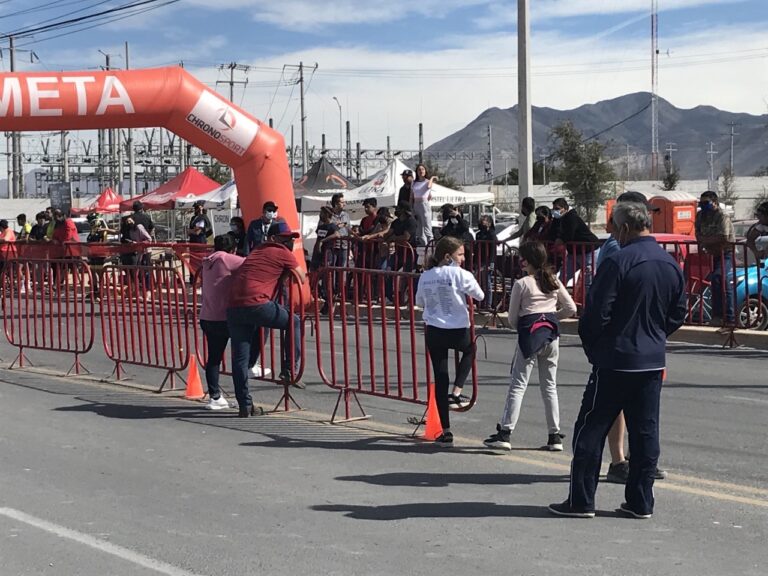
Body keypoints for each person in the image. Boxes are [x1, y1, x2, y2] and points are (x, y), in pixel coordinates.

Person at [549, 202, 687, 519]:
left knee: (591, 428)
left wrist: (596, 348)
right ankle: (640, 501)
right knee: (645, 432)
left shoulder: (619, 261)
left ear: (624, 228)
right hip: (651, 361)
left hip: (615, 360)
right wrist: (654, 336)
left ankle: (581, 500)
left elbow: (596, 313)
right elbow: (677, 313)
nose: (612, 233)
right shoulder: (669, 263)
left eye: (613, 227)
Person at [598, 191, 667, 484]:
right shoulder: (617, 250)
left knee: (639, 410)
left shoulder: (641, 250)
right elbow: (603, 304)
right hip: (625, 343)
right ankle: (619, 460)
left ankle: (637, 462)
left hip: (644, 340)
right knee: (615, 408)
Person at [484, 240, 576, 450]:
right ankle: (554, 436)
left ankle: (505, 433)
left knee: (518, 384)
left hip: (529, 336)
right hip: (551, 336)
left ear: (527, 260)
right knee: (549, 385)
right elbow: (570, 308)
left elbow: (513, 318)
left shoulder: (522, 283)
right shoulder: (553, 280)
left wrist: (526, 325)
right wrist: (552, 318)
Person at [227, 221, 306, 417]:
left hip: (234, 306)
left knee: (240, 360)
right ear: (273, 239)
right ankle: (289, 369)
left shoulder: (256, 251)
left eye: (290, 239)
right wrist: (287, 270)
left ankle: (245, 405)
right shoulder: (281, 252)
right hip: (257, 303)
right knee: (294, 321)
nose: (288, 242)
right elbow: (302, 277)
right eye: (285, 238)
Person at [415, 236, 484, 445]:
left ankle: (445, 430)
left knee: (440, 376)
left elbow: (419, 302)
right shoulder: (460, 274)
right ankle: (457, 391)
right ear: (448, 256)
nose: (463, 258)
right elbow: (479, 295)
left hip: (434, 329)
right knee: (470, 350)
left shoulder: (426, 275)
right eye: (460, 254)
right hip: (457, 328)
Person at [200, 234, 245, 410]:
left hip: (207, 315)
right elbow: (251, 264)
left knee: (214, 358)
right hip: (224, 317)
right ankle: (242, 397)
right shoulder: (227, 259)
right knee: (240, 357)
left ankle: (215, 397)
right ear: (233, 248)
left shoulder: (207, 261)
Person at [695, 190, 735, 328]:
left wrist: (706, 240)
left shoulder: (722, 216)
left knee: (721, 279)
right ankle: (717, 316)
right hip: (711, 253)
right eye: (701, 203)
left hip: (725, 252)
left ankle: (729, 317)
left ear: (715, 202)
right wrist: (706, 241)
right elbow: (698, 234)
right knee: (714, 282)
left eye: (706, 203)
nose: (703, 206)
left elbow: (723, 237)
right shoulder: (701, 215)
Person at [548, 198, 599, 282]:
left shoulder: (572, 217)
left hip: (588, 252)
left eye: (557, 209)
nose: (554, 211)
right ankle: (558, 295)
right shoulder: (558, 219)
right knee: (563, 277)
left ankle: (588, 295)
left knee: (588, 279)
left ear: (565, 208)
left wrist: (559, 240)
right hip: (573, 253)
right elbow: (552, 233)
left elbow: (568, 234)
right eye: (553, 209)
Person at [410, 163, 436, 247]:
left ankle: (431, 245)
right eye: (419, 170)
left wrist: (432, 178)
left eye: (423, 169)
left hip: (424, 204)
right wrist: (411, 207)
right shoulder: (414, 183)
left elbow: (428, 187)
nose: (421, 171)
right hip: (416, 204)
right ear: (416, 172)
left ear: (425, 171)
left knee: (427, 226)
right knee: (419, 228)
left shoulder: (427, 181)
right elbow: (411, 196)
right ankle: (424, 245)